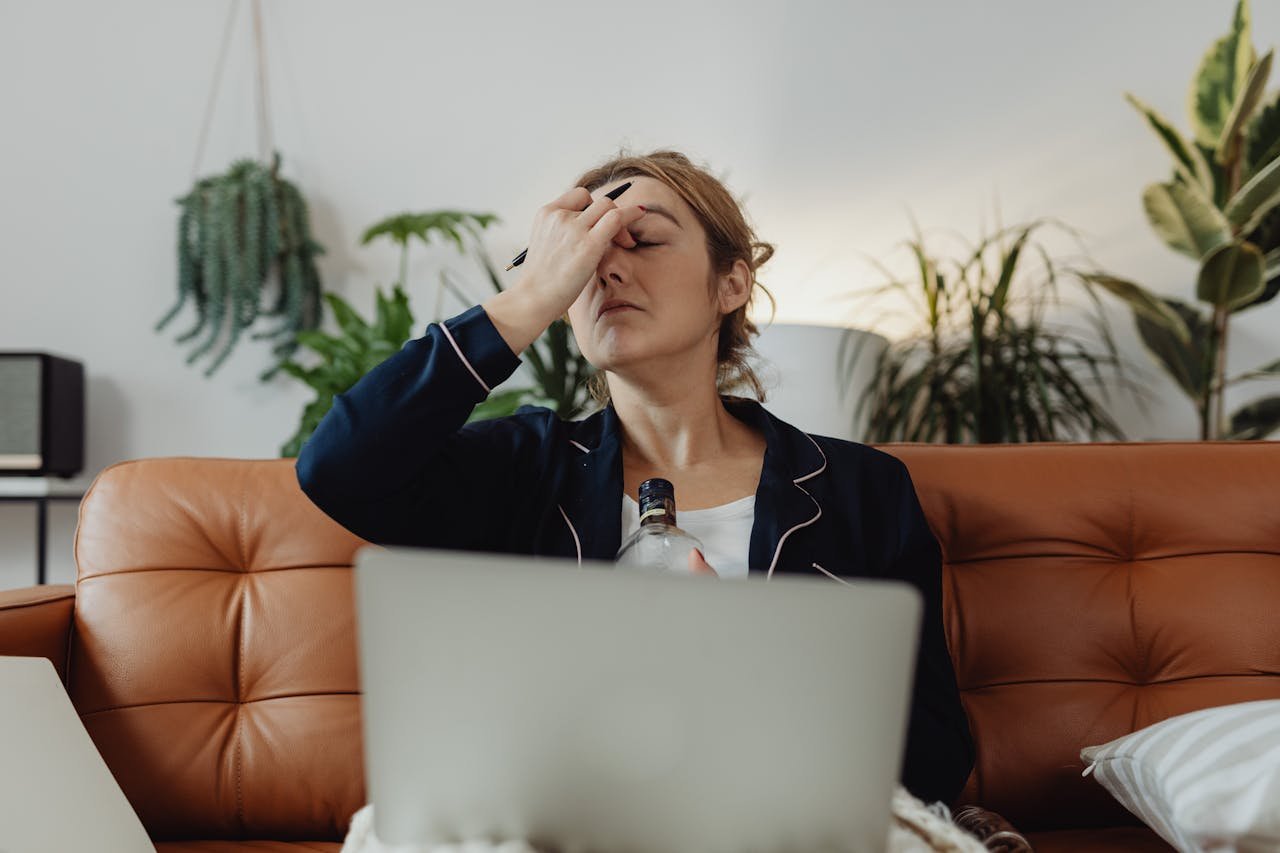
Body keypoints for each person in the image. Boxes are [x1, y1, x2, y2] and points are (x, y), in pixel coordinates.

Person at [295, 149, 975, 804]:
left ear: (731, 284)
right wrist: (527, 298)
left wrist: (743, 660)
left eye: (642, 241)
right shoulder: (523, 469)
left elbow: (934, 757)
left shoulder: (861, 489)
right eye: (583, 256)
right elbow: (339, 468)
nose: (607, 270)